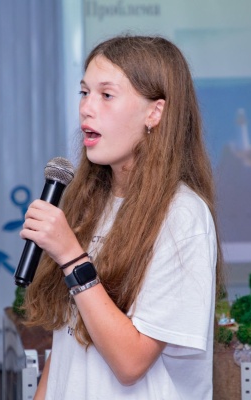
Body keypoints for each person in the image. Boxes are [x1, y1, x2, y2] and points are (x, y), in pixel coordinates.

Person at [20, 35, 223, 399]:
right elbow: (69, 338)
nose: (86, 108)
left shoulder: (182, 217)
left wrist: (71, 257)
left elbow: (131, 363)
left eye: (106, 95)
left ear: (154, 113)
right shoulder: (88, 201)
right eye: (84, 92)